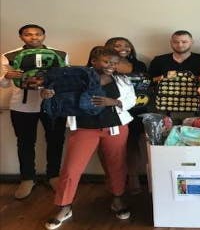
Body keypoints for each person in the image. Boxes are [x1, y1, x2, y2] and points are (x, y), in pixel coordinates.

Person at [43, 48, 136, 229]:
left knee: (116, 165)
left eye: (115, 63)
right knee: (71, 168)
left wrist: (114, 102)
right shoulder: (76, 78)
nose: (111, 66)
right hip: (84, 128)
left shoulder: (123, 80)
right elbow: (58, 95)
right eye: (106, 61)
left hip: (114, 127)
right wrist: (47, 95)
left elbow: (131, 100)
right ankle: (64, 206)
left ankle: (117, 199)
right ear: (93, 61)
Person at [0, 24, 68, 199]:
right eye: (28, 34)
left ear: (44, 35)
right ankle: (27, 178)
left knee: (55, 140)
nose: (33, 37)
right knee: (25, 142)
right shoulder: (9, 56)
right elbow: (4, 84)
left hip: (52, 104)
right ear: (21, 37)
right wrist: (6, 77)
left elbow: (66, 80)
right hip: (21, 106)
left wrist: (54, 89)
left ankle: (53, 175)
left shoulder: (60, 54)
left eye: (38, 34)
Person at [104, 37, 149, 194]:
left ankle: (133, 177)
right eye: (117, 45)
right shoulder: (102, 65)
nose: (123, 48)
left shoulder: (139, 65)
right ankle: (113, 179)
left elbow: (146, 85)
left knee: (132, 144)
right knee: (110, 148)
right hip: (109, 111)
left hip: (136, 110)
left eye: (126, 45)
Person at [148, 30, 200, 121]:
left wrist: (195, 79)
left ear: (191, 42)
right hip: (165, 106)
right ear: (171, 43)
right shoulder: (159, 60)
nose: (180, 45)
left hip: (195, 106)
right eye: (176, 42)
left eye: (184, 42)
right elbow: (149, 80)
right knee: (166, 133)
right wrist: (163, 78)